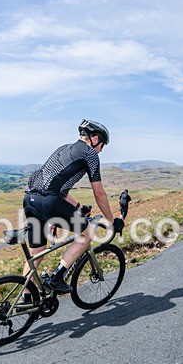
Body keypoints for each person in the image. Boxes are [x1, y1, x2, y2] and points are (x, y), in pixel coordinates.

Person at [23, 119, 124, 294]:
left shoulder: (63, 148)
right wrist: (110, 221)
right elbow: (99, 193)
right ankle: (57, 278)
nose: (101, 149)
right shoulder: (90, 155)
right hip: (49, 202)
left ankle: (25, 299)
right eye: (103, 145)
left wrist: (78, 206)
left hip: (30, 199)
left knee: (36, 252)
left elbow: (57, 186)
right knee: (87, 233)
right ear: (95, 138)